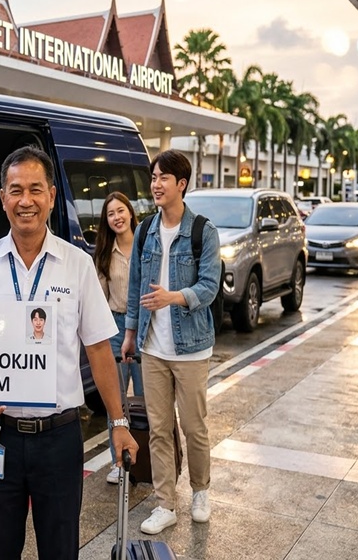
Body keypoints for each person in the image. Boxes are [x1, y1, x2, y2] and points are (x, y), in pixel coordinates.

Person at [0, 146, 138, 560]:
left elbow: (98, 347)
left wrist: (118, 423)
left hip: (58, 439)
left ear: (52, 196)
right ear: (3, 197)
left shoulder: (76, 265)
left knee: (60, 550)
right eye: (16, 190)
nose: (27, 201)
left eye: (36, 190)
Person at [121, 150, 220, 535]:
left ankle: (200, 491)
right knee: (160, 429)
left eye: (164, 178)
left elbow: (209, 287)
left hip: (192, 347)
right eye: (153, 177)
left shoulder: (203, 232)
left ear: (182, 184)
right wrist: (130, 333)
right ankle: (165, 503)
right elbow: (134, 287)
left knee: (194, 427)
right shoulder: (145, 230)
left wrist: (173, 297)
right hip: (151, 346)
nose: (156, 184)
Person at [94, 191, 143, 484]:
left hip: (143, 328)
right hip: (114, 325)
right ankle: (117, 460)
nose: (117, 217)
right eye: (111, 214)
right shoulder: (103, 252)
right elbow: (99, 299)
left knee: (145, 398)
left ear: (130, 212)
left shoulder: (145, 245)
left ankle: (145, 457)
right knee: (115, 399)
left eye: (121, 210)